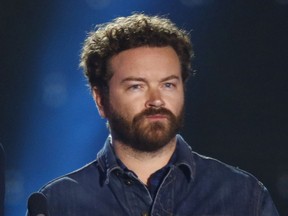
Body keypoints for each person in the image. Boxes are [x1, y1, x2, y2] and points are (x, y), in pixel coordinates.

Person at [26, 13, 279, 216]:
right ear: (100, 99)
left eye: (168, 84)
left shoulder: (243, 195)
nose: (156, 100)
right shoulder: (58, 203)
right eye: (137, 86)